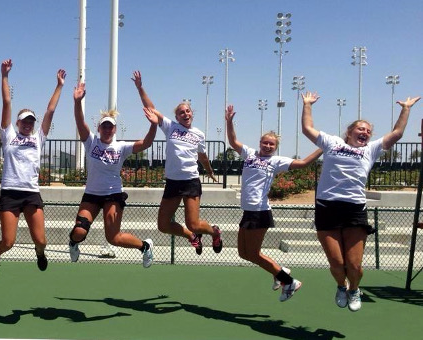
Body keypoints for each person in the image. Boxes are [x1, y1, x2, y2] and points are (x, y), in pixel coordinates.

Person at [301, 91, 420, 311]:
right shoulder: (332, 143)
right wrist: (307, 105)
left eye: (368, 130)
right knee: (337, 264)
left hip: (355, 209)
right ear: (349, 132)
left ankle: (354, 288)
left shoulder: (370, 149)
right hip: (327, 207)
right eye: (360, 128)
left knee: (354, 266)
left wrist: (406, 109)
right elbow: (307, 129)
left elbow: (396, 133)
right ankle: (340, 285)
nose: (364, 132)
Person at [225, 104, 322, 302]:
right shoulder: (250, 154)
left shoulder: (276, 162)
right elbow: (233, 141)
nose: (268, 146)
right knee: (244, 254)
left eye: (272, 144)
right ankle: (280, 271)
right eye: (265, 143)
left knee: (252, 253)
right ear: (260, 142)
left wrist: (323, 148)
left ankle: (289, 281)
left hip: (260, 212)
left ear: (275, 147)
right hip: (248, 211)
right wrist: (229, 122)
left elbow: (303, 163)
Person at [0, 59, 65, 277]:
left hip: (31, 193)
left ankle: (40, 254)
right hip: (10, 192)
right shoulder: (8, 135)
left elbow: (50, 111)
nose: (28, 124)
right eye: (24, 121)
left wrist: (59, 85)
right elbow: (6, 103)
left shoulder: (39, 137)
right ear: (18, 123)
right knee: (8, 242)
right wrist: (4, 76)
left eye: (31, 121)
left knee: (41, 240)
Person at [132, 70, 222, 255]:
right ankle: (191, 237)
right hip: (173, 182)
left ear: (191, 114)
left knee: (194, 223)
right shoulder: (170, 127)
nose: (185, 114)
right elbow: (151, 108)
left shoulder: (199, 134)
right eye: (181, 112)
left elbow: (202, 156)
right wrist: (140, 88)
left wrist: (210, 171)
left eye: (187, 111)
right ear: (177, 117)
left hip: (190, 181)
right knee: (163, 225)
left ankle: (214, 232)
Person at [68, 82, 157, 267]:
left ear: (115, 129)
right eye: (104, 127)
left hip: (113, 195)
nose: (107, 130)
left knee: (113, 238)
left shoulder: (121, 147)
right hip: (92, 194)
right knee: (79, 231)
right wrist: (77, 102)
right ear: (99, 128)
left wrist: (153, 126)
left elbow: (146, 143)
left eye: (110, 127)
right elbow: (79, 122)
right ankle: (73, 243)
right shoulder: (91, 142)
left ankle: (145, 247)